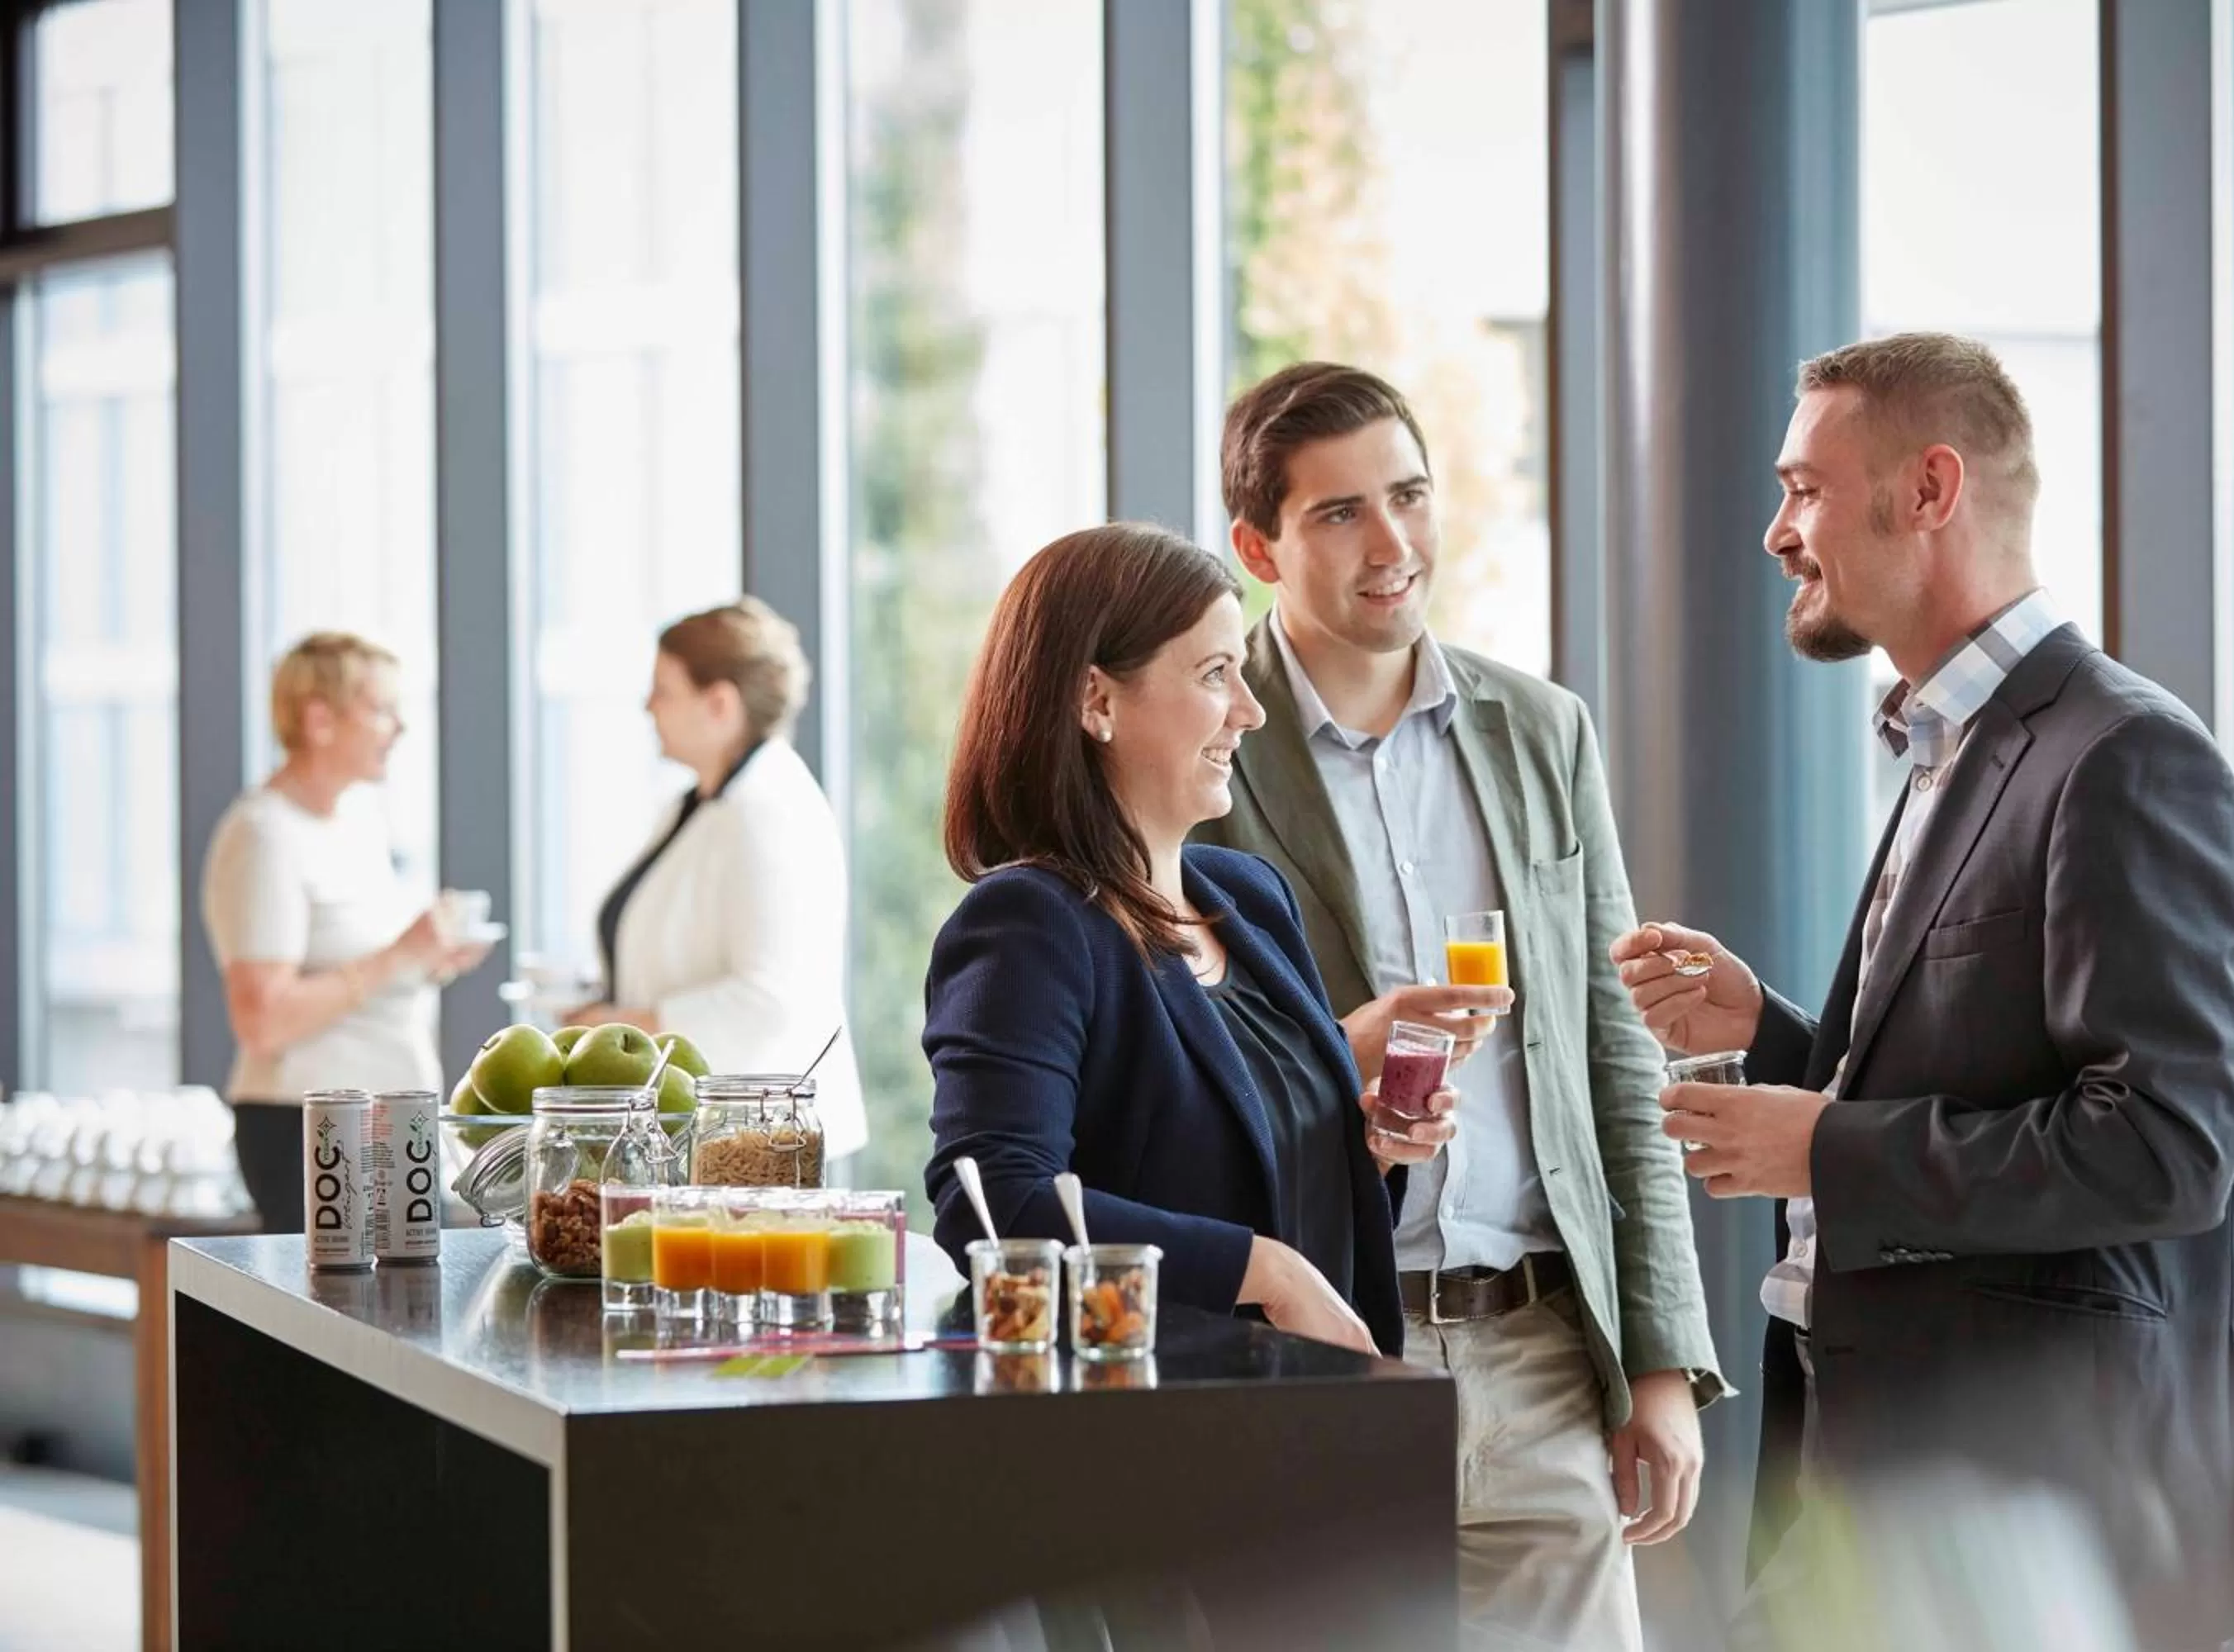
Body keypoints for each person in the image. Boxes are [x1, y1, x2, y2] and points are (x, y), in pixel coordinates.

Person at [1611, 333, 2234, 1650]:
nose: (1777, 533)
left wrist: (1825, 1145)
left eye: (1804, 490)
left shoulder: (2125, 756)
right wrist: (1775, 1037)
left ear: (1930, 490)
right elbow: (1985, 1079)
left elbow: (2167, 1149)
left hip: (2039, 1516)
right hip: (1883, 1477)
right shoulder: (1953, 744)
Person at [1195, 362, 1723, 1652]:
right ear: (1258, 548)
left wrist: (1659, 1360)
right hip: (1320, 1354)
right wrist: (1339, 1067)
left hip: (1541, 1355)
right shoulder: (1206, 747)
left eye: (1411, 496)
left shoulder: (1542, 731)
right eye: (1340, 514)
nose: (1393, 545)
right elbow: (1174, 1067)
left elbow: (1614, 1053)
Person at [923, 524, 1441, 1354]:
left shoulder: (1251, 897)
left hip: (1312, 1405)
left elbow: (1253, 1171)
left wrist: (1365, 1150)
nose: (1251, 711)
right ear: (1097, 702)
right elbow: (993, 1202)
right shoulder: (1029, 924)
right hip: (1158, 1413)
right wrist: (1264, 1269)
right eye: (1213, 674)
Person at [202, 633, 495, 1230]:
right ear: (320, 721)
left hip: (388, 1122)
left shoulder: (357, 818)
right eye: (381, 709)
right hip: (310, 1131)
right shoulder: (264, 835)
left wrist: (426, 960)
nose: (400, 728)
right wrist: (398, 956)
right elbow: (261, 1020)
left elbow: (361, 971)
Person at [567, 597, 867, 1166]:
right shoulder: (701, 806)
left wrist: (622, 1028)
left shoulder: (769, 813)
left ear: (720, 704)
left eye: (663, 690)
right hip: (710, 1135)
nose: (648, 706)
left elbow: (766, 1000)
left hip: (760, 1149)